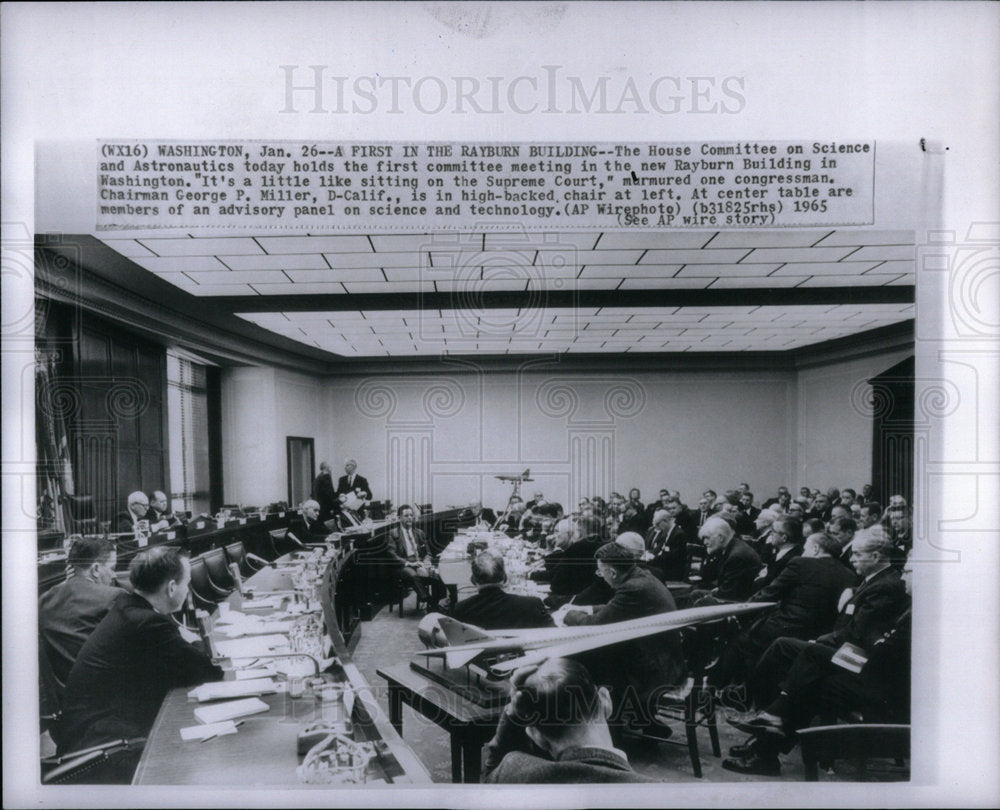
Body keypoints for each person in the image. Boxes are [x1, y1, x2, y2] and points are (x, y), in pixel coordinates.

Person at [723, 550, 912, 776]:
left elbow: (879, 647)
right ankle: (766, 737)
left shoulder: (906, 601)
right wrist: (878, 637)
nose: (902, 577)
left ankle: (767, 738)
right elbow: (879, 639)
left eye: (909, 571)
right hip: (869, 668)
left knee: (810, 672)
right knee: (801, 664)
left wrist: (875, 636)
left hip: (880, 686)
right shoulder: (907, 601)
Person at [60, 547, 223, 780]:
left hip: (91, 729)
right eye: (187, 583)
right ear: (171, 587)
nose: (188, 590)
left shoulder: (129, 606)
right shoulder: (147, 622)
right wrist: (193, 644)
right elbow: (208, 671)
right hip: (106, 744)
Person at [564, 542, 684, 736]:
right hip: (665, 657)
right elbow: (617, 609)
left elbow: (596, 625)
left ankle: (608, 726)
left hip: (656, 669)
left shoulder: (633, 588)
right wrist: (588, 609)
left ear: (612, 572)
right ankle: (639, 718)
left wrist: (568, 615)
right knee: (605, 653)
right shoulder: (641, 576)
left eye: (600, 571)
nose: (599, 575)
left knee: (589, 660)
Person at [482, 658, 654, 783]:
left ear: (536, 736)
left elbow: (491, 783)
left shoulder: (512, 772)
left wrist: (512, 713)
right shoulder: (657, 793)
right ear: (605, 700)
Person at [39, 537, 122, 692]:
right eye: (112, 568)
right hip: (108, 693)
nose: (114, 575)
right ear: (96, 569)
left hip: (65, 696)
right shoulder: (113, 597)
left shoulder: (44, 600)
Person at [448, 551, 554, 630]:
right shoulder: (532, 605)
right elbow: (555, 636)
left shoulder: (461, 609)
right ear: (505, 577)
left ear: (473, 580)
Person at [387, 504, 447, 612]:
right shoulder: (393, 533)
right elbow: (392, 554)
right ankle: (430, 602)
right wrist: (409, 563)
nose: (410, 518)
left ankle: (440, 601)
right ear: (399, 517)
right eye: (406, 515)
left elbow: (428, 552)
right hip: (403, 565)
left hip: (419, 562)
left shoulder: (419, 533)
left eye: (411, 515)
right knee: (413, 575)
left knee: (439, 573)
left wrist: (426, 560)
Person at [693, 517, 762, 603]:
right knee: (695, 593)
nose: (705, 542)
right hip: (732, 595)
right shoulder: (731, 546)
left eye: (707, 538)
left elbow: (729, 593)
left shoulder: (736, 557)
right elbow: (708, 575)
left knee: (697, 597)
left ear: (720, 538)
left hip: (738, 603)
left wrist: (714, 593)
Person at [643, 502, 688, 583]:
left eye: (657, 525)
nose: (657, 529)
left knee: (646, 571)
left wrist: (652, 559)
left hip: (673, 571)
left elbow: (672, 558)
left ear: (665, 521)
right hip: (665, 567)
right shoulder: (667, 532)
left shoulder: (678, 534)